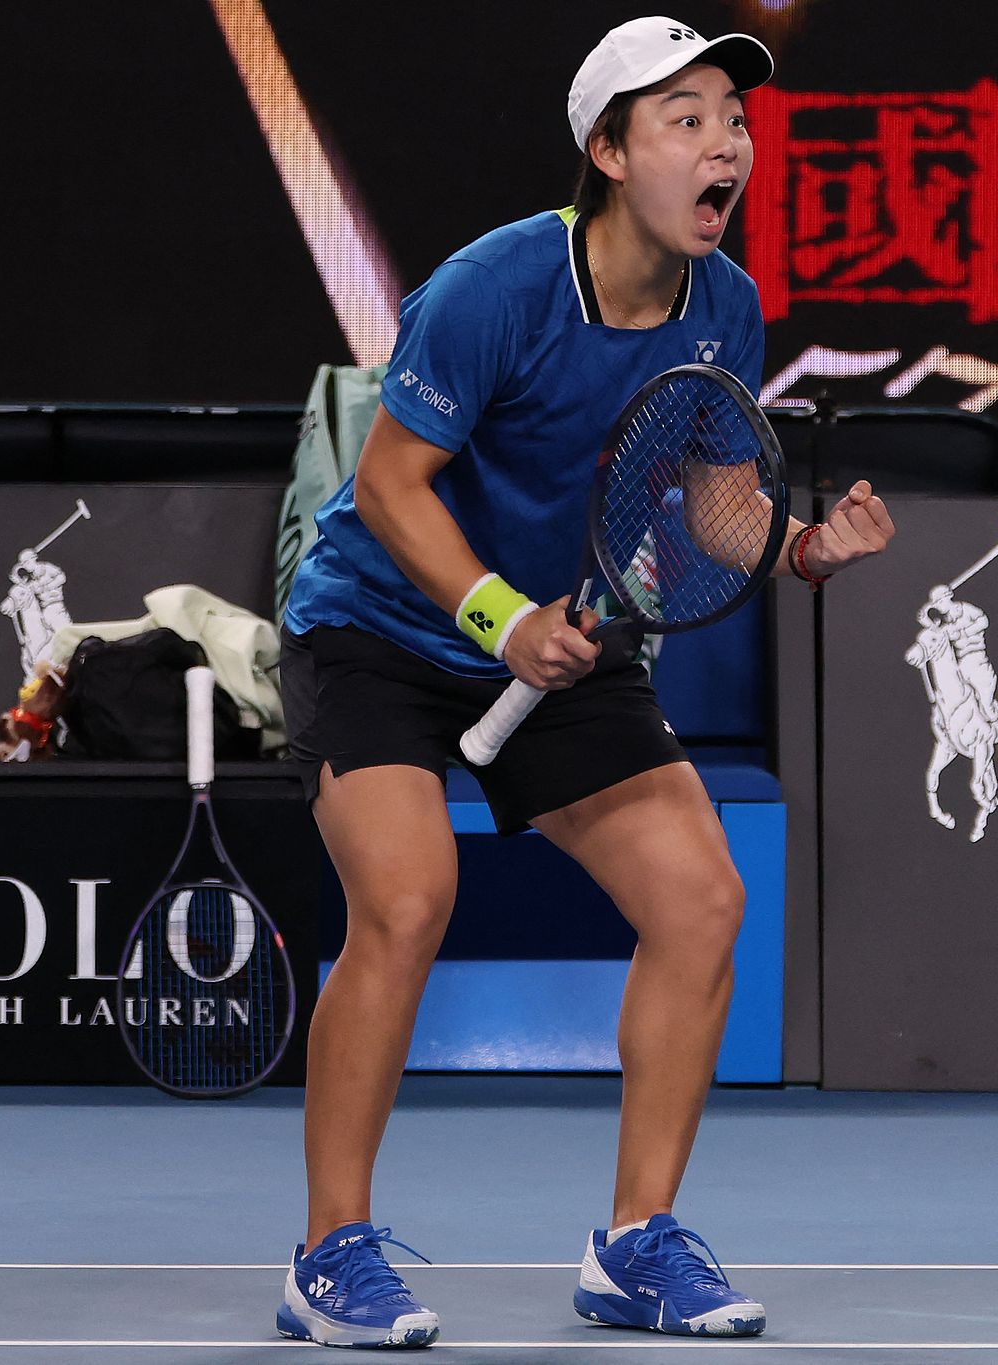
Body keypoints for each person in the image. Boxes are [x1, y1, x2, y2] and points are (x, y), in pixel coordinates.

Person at [272, 16, 895, 1348]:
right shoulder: (495, 288)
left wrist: (800, 546)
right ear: (608, 150)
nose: (725, 142)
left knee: (702, 897)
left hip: (568, 644)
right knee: (405, 894)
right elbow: (386, 485)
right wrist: (497, 619)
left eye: (734, 117)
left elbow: (721, 508)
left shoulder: (724, 304)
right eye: (685, 118)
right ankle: (328, 1251)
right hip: (380, 631)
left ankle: (635, 1242)